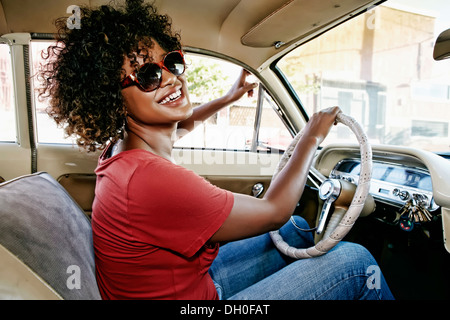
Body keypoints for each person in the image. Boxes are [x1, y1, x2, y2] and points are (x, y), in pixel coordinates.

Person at [39, 0, 394, 300]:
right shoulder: (150, 180)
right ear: (113, 100)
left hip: (189, 285)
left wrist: (227, 98)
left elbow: (182, 123)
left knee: (297, 230)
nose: (171, 78)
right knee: (357, 264)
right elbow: (274, 211)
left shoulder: (123, 151)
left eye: (171, 62)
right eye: (148, 76)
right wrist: (310, 137)